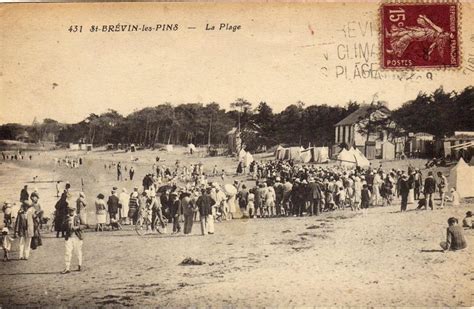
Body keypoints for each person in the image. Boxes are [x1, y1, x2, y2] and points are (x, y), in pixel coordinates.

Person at [61, 206, 83, 274]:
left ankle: (80, 264)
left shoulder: (78, 217)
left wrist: (77, 227)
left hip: (77, 236)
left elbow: (85, 225)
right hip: (69, 237)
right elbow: (62, 227)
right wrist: (66, 224)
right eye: (70, 211)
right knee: (68, 252)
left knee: (78, 251)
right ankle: (67, 268)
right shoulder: (66, 218)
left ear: (75, 210)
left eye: (72, 211)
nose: (71, 212)